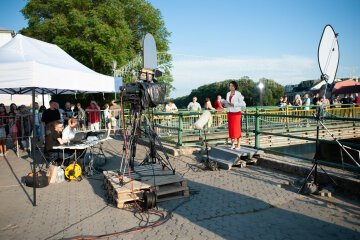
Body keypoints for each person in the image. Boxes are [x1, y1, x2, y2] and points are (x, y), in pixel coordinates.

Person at [223, 81, 245, 150]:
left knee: (237, 129)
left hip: (236, 113)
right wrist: (224, 104)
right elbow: (227, 102)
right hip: (229, 112)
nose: (231, 87)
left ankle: (238, 144)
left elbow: (242, 104)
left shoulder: (238, 94)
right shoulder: (228, 93)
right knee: (231, 129)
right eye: (230, 86)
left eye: (232, 86)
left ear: (235, 86)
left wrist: (234, 104)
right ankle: (232, 144)